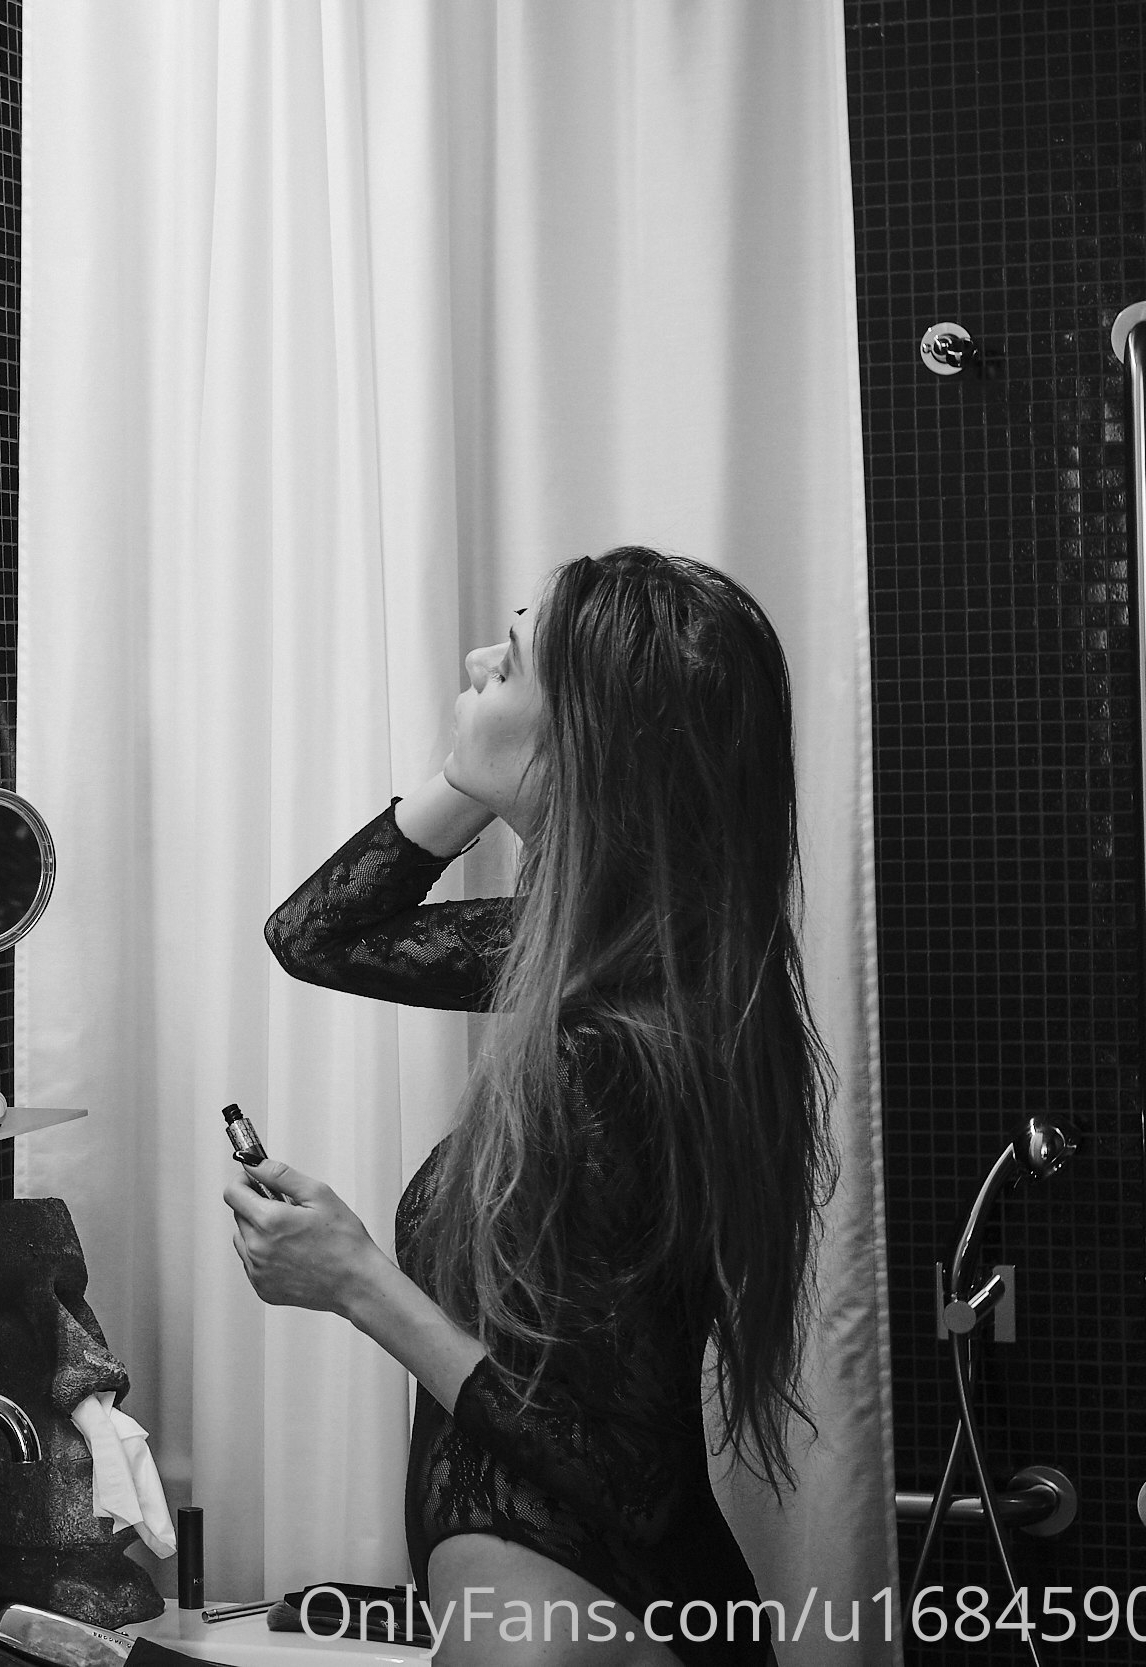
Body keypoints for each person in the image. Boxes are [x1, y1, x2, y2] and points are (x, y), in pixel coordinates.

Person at [227, 548, 829, 1666]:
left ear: (586, 749)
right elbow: (312, 935)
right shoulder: (612, 959)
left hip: (569, 1630)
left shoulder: (619, 1049)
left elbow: (625, 1474)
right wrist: (485, 763)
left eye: (504, 664)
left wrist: (356, 1280)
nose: (471, 661)